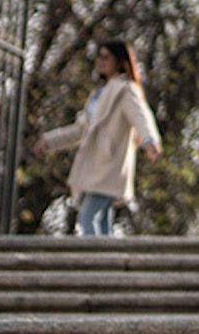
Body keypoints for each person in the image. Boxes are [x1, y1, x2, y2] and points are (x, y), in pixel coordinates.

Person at [32, 39, 164, 237]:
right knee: (102, 222)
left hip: (110, 164)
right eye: (99, 57)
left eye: (106, 57)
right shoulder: (99, 94)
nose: (100, 62)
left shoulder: (125, 89)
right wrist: (50, 141)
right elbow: (81, 130)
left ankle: (95, 264)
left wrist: (149, 141)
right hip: (96, 164)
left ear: (119, 61)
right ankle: (110, 264)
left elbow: (140, 116)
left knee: (87, 218)